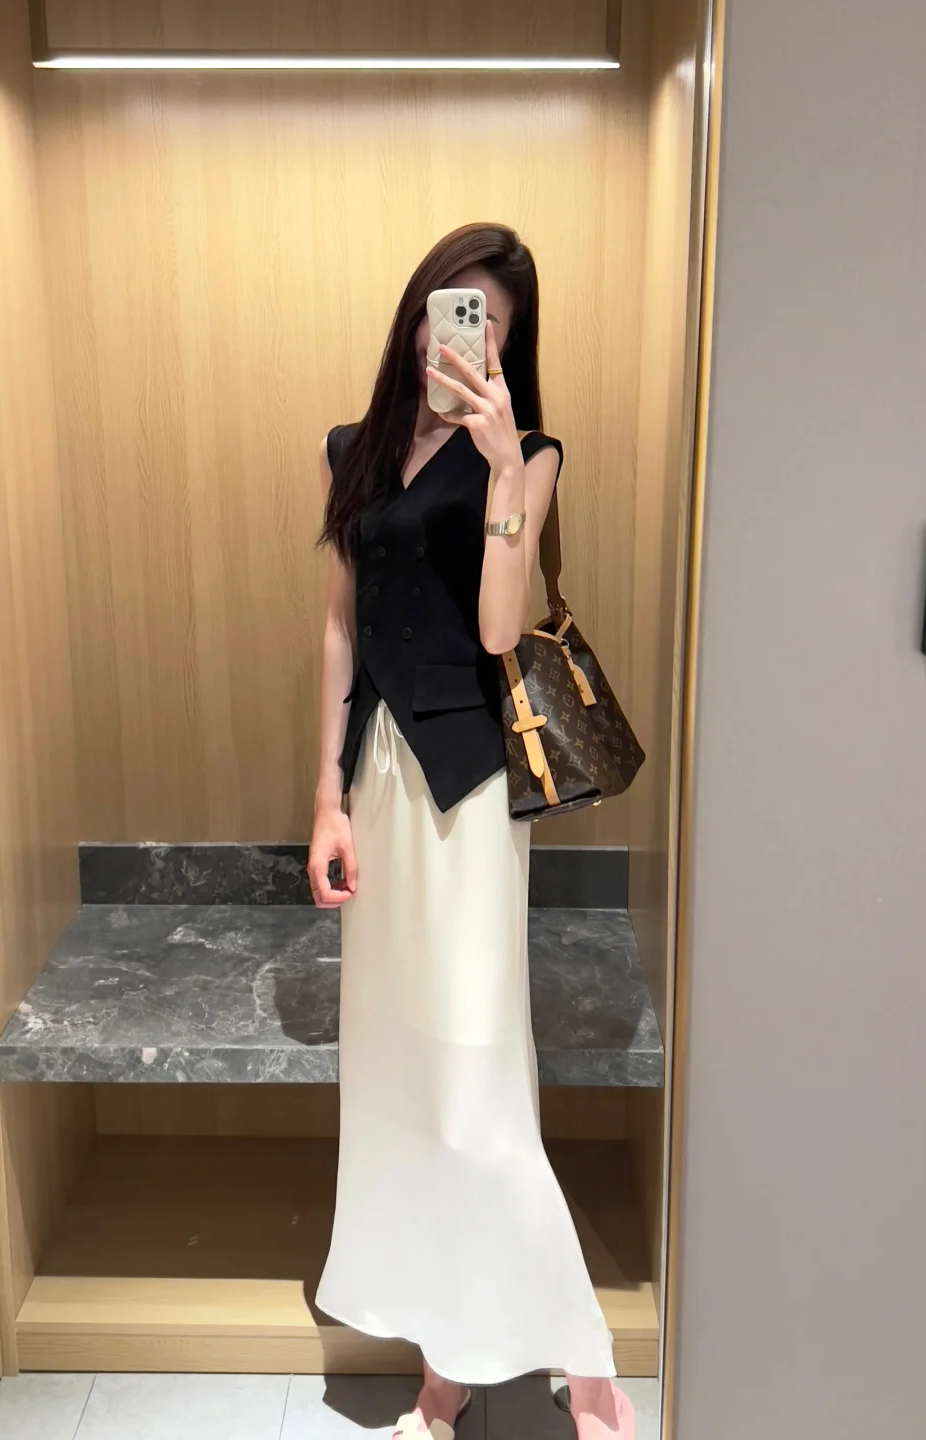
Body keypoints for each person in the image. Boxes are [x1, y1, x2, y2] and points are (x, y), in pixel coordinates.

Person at [308, 222, 635, 1440]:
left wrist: (503, 475)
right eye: (452, 308)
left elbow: (500, 630)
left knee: (475, 1081)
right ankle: (445, 1366)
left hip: (467, 791)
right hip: (378, 781)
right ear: (416, 314)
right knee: (402, 1073)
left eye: (489, 321)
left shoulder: (531, 455)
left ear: (508, 344)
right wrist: (327, 798)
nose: (464, 334)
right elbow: (339, 628)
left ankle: (583, 1359)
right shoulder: (350, 450)